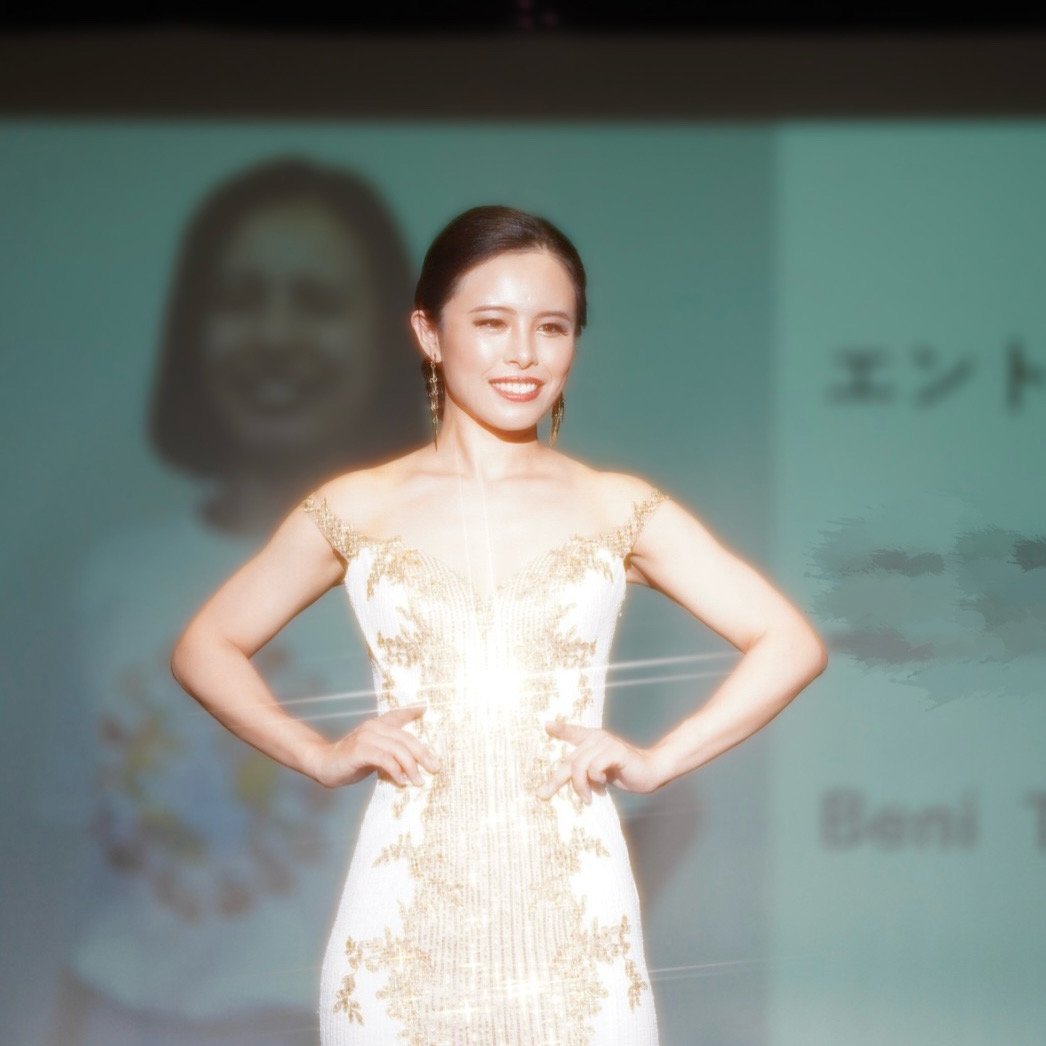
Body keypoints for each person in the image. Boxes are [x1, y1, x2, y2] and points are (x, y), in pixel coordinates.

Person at [170, 204, 829, 1045]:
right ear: (428, 332)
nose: (524, 353)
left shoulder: (614, 506)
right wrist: (318, 754)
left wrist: (660, 759)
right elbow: (206, 645)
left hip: (574, 934)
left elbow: (789, 641)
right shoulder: (358, 507)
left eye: (552, 327)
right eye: (491, 323)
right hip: (405, 933)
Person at [46, 157, 425, 1045]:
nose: (275, 333)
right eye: (241, 298)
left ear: (391, 338)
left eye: (318, 302)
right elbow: (75, 868)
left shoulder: (443, 571)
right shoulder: (115, 582)